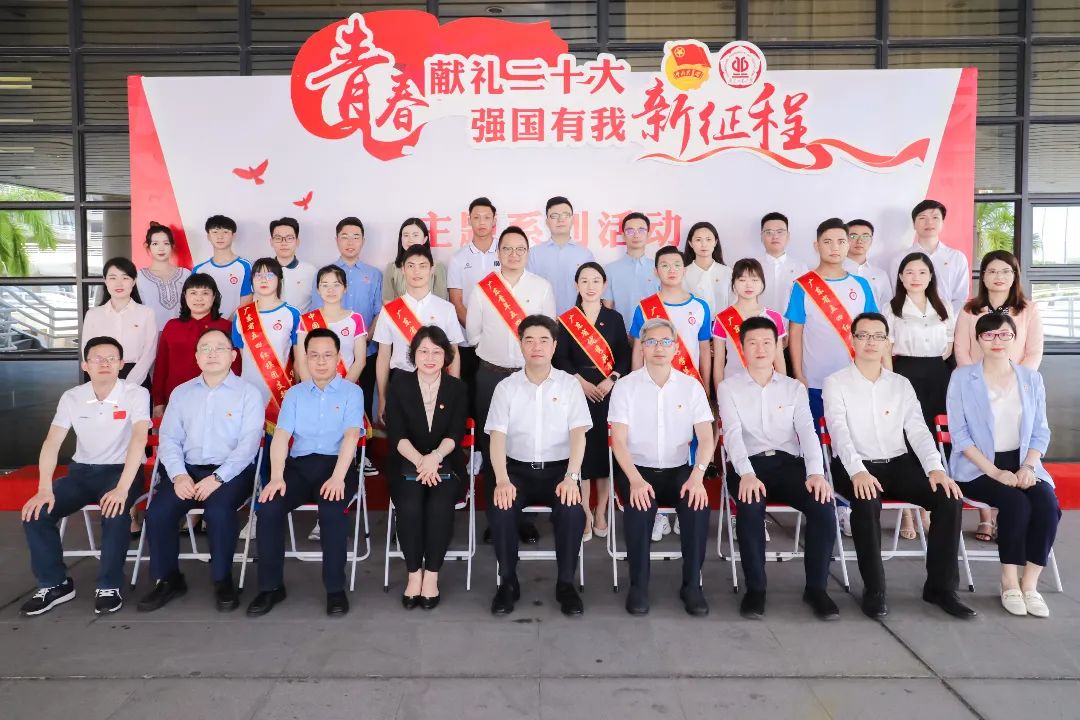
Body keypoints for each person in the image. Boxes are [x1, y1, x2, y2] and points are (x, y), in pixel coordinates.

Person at [823, 312, 974, 620]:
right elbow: (839, 433)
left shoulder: (900, 384)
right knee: (866, 502)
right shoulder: (835, 383)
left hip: (897, 463)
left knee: (948, 498)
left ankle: (941, 588)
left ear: (887, 342)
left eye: (878, 336)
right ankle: (875, 590)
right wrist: (858, 471)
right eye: (863, 335)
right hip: (855, 466)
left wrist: (935, 468)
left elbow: (918, 430)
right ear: (852, 340)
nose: (871, 342)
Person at [19, 336, 150, 616]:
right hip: (82, 472)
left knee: (115, 512)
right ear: (85, 365)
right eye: (97, 359)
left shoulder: (135, 394)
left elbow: (140, 438)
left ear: (121, 364)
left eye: (111, 358)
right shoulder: (73, 397)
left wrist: (122, 489)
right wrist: (44, 489)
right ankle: (55, 584)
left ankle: (109, 585)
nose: (105, 363)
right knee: (37, 513)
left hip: (121, 471)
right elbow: (52, 442)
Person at [137, 328, 263, 613]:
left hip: (231, 473)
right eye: (205, 348)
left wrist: (218, 477)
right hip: (188, 470)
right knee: (158, 512)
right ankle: (168, 579)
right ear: (196, 357)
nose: (212, 354)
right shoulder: (181, 393)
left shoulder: (248, 393)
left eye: (219, 348)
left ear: (233, 356)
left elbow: (249, 444)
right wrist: (178, 474)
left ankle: (222, 579)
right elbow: (169, 439)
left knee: (218, 511)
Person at [718, 316, 837, 620]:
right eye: (753, 343)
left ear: (777, 346)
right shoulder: (728, 388)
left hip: (788, 464)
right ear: (742, 347)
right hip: (749, 465)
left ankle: (817, 589)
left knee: (823, 505)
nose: (760, 349)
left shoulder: (793, 388)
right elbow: (732, 435)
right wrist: (746, 473)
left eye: (766, 342)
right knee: (750, 506)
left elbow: (807, 432)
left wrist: (816, 473)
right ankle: (756, 590)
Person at [946, 313, 1059, 618]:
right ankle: (1009, 581)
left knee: (1047, 504)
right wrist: (995, 472)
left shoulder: (1031, 379)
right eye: (988, 335)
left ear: (1014, 339)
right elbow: (960, 435)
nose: (996, 340)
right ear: (978, 340)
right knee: (1015, 504)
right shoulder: (962, 378)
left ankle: (1029, 584)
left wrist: (1029, 468)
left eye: (1004, 334)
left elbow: (1041, 432)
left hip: (1023, 463)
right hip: (978, 466)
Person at [246, 328, 364, 617]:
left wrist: (338, 477)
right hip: (298, 468)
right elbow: (282, 436)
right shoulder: (295, 394)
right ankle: (271, 587)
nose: (321, 361)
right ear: (306, 358)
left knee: (332, 513)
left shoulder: (352, 392)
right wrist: (276, 476)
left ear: (338, 357)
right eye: (314, 355)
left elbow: (351, 436)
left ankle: (335, 589)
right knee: (268, 508)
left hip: (336, 466)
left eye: (328, 355)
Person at [486, 315, 590, 617]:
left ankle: (566, 584)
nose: (536, 347)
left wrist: (572, 477)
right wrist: (502, 479)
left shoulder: (569, 385)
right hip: (516, 471)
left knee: (572, 511)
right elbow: (497, 437)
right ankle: (508, 582)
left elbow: (579, 435)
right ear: (520, 345)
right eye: (529, 340)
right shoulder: (506, 387)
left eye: (544, 340)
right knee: (501, 509)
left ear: (554, 346)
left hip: (560, 472)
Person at [609, 318, 714, 616]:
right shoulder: (626, 387)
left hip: (679, 470)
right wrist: (635, 480)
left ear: (676, 347)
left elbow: (707, 438)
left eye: (666, 342)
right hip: (637, 470)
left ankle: (692, 586)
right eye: (651, 342)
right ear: (641, 347)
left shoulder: (691, 387)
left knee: (696, 505)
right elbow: (618, 441)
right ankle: (639, 586)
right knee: (639, 506)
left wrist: (697, 477)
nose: (659, 348)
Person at [466, 225, 556, 545]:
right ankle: (498, 517)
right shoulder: (483, 288)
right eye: (507, 248)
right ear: (498, 252)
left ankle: (523, 518)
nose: (513, 254)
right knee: (494, 444)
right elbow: (473, 334)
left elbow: (549, 333)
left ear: (527, 253)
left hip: (529, 377)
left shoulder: (541, 287)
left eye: (520, 249)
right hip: (490, 376)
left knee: (525, 443)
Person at [953, 250, 1044, 540]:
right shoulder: (970, 310)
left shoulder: (1027, 309)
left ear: (1015, 276)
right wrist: (976, 384)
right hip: (977, 389)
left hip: (1016, 388)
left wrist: (1015, 381)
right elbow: (962, 350)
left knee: (1012, 441)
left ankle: (1010, 516)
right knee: (981, 442)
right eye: (992, 271)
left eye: (1006, 271)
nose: (999, 277)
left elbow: (1034, 351)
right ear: (983, 276)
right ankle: (986, 519)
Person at [385, 326, 469, 610]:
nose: (430, 358)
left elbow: (456, 433)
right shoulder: (399, 385)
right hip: (406, 461)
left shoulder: (457, 388)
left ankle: (431, 574)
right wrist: (422, 462)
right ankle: (414, 574)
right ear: (413, 354)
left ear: (446, 356)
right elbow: (396, 434)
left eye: (436, 352)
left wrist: (435, 457)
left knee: (439, 505)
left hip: (446, 462)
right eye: (423, 351)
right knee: (409, 505)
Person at [553, 262, 631, 541]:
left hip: (609, 391)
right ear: (576, 285)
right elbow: (560, 357)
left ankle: (602, 511)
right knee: (583, 452)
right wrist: (581, 383)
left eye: (596, 280)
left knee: (604, 452)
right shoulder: (567, 319)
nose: (590, 286)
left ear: (604, 284)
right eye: (584, 281)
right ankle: (585, 509)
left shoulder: (614, 318)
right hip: (578, 391)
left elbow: (624, 354)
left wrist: (612, 379)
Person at [882, 252, 955, 540]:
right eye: (909, 272)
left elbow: (948, 346)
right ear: (901, 277)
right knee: (907, 437)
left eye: (922, 272)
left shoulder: (944, 306)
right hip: (905, 372)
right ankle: (908, 513)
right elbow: (886, 349)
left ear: (930, 276)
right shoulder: (891, 308)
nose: (916, 277)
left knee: (935, 438)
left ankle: (931, 503)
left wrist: (933, 368)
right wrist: (891, 382)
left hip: (937, 375)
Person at [232, 257, 301, 542]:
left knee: (276, 459)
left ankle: (268, 512)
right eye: (258, 275)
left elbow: (298, 358)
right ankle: (256, 511)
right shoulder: (242, 315)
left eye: (269, 275)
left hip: (280, 398)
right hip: (248, 398)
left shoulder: (292, 313)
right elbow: (239, 359)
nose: (263, 279)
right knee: (251, 458)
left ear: (279, 280)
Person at [308, 216, 383, 475]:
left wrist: (364, 337)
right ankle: (329, 452)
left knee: (360, 405)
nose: (350, 242)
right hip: (323, 361)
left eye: (355, 237)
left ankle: (362, 456)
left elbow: (378, 311)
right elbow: (315, 313)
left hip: (363, 353)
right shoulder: (325, 273)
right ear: (336, 239)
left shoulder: (374, 274)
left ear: (363, 240)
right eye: (345, 236)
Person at [785, 218, 878, 422]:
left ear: (848, 245)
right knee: (818, 435)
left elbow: (874, 331)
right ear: (816, 246)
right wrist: (798, 374)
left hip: (855, 377)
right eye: (827, 242)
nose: (835, 247)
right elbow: (796, 333)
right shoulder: (802, 286)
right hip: (815, 380)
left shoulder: (861, 285)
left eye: (841, 241)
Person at [375, 244, 463, 424]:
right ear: (402, 269)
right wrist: (382, 397)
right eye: (411, 265)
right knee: (401, 434)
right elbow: (383, 356)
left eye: (423, 266)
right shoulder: (390, 310)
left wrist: (453, 391)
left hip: (437, 381)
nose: (417, 271)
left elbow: (453, 353)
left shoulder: (446, 309)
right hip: (401, 380)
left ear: (432, 269)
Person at [152, 273, 239, 419]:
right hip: (176, 398)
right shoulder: (172, 326)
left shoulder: (226, 327)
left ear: (214, 297)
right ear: (185, 296)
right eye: (193, 293)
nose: (199, 298)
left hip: (218, 399)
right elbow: (161, 366)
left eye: (205, 293)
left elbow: (236, 366)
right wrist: (158, 401)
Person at [447, 197, 501, 420]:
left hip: (500, 342)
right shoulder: (458, 258)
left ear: (494, 220)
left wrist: (492, 334)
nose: (482, 222)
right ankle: (474, 442)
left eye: (487, 217)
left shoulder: (505, 253)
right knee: (470, 397)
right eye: (476, 217)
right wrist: (476, 333)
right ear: (469, 220)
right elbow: (456, 301)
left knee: (498, 398)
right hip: (468, 342)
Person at [82, 257, 158, 391]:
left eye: (125, 278)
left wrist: (130, 383)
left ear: (134, 281)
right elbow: (87, 352)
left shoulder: (146, 313)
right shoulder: (93, 314)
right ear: (105, 281)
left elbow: (149, 352)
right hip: (101, 375)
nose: (119, 283)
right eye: (112, 278)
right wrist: (102, 380)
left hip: (136, 377)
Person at [712, 257, 786, 385]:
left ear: (762, 283)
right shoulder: (723, 318)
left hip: (767, 385)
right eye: (742, 280)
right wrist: (720, 393)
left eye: (754, 280)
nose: (748, 285)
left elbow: (779, 358)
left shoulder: (774, 317)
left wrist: (782, 388)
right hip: (733, 385)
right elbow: (718, 362)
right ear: (733, 283)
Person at [890, 200, 970, 314]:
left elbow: (960, 298)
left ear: (942, 222)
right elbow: (896, 294)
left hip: (947, 320)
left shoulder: (957, 258)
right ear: (913, 224)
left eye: (935, 217)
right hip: (910, 320)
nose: (929, 222)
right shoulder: (900, 259)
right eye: (922, 218)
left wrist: (947, 319)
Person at [296, 265, 367, 384]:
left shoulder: (355, 319)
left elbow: (360, 361)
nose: (331, 290)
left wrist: (342, 390)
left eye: (336, 285)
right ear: (318, 289)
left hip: (346, 387)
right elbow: (302, 361)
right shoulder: (306, 320)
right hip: (313, 388)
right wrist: (312, 390)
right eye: (325, 285)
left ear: (345, 288)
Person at [527, 196, 595, 314]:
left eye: (565, 215)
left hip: (577, 320)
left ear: (572, 219)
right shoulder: (533, 254)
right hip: (543, 320)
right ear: (547, 221)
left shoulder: (585, 255)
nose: (560, 220)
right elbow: (529, 290)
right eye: (554, 216)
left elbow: (592, 291)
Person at [604, 212, 660, 332]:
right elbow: (607, 309)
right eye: (630, 231)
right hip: (621, 335)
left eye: (641, 230)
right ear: (623, 235)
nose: (636, 235)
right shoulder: (610, 269)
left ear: (648, 234)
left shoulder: (659, 268)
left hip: (654, 335)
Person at [192, 215, 253, 320]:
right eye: (215, 232)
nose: (220, 236)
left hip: (235, 324)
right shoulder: (199, 270)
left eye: (225, 232)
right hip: (207, 325)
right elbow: (195, 301)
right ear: (208, 236)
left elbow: (247, 300)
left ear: (233, 236)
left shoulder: (244, 266)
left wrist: (227, 324)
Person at [136, 222, 191, 331]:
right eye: (155, 244)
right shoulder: (139, 277)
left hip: (182, 332)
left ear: (172, 246)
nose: (161, 248)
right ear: (148, 246)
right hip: (150, 333)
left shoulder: (185, 274)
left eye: (166, 243)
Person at [382, 217, 449, 303]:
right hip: (399, 312)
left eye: (415, 235)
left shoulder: (437, 267)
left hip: (431, 312)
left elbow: (441, 301)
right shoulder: (392, 268)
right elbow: (388, 301)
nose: (410, 240)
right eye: (406, 235)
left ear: (425, 239)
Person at [757, 211, 808, 325]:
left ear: (788, 236)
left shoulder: (801, 267)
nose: (775, 236)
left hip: (791, 330)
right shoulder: (753, 267)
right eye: (769, 232)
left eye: (780, 232)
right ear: (761, 236)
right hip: (757, 330)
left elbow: (805, 304)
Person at [682, 221, 731, 324]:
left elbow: (734, 303)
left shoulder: (727, 272)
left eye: (708, 239)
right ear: (690, 243)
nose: (704, 244)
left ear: (715, 242)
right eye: (698, 240)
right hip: (693, 327)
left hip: (723, 327)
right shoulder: (683, 273)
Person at [268, 217, 316, 313]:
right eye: (278, 238)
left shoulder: (311, 271)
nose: (284, 243)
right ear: (271, 242)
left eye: (289, 238)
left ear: (297, 242)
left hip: (301, 322)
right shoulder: (262, 270)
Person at [843, 219, 892, 309]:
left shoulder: (880, 274)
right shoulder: (834, 271)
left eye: (865, 236)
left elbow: (887, 307)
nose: (860, 241)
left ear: (871, 240)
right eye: (853, 236)